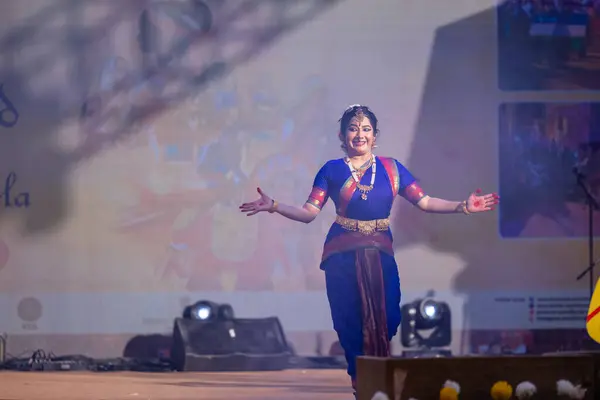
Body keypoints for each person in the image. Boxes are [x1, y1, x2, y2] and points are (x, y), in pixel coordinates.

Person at [239, 104, 499, 395]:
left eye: (366, 129)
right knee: (349, 320)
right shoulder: (332, 170)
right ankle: (360, 380)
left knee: (388, 317)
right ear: (342, 134)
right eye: (353, 128)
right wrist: (274, 206)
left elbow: (425, 202)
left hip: (379, 251)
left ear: (375, 136)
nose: (359, 134)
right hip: (341, 254)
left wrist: (462, 206)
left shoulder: (392, 169)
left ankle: (378, 372)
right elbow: (309, 212)